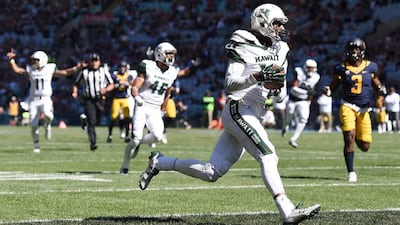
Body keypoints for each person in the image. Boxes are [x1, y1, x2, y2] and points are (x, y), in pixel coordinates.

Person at [138, 4, 320, 224]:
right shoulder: (242, 40)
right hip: (239, 107)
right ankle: (287, 209)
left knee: (211, 171)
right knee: (268, 154)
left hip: (256, 112)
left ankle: (160, 162)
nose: (281, 28)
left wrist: (276, 88)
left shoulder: (281, 49)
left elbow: (280, 94)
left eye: (282, 24)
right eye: (277, 23)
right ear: (262, 21)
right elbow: (230, 84)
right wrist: (257, 77)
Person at [329, 37, 386, 182]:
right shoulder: (341, 67)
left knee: (365, 145)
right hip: (347, 105)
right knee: (349, 137)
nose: (353, 52)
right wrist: (328, 90)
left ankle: (356, 144)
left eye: (356, 49)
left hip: (364, 109)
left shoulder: (371, 66)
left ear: (362, 51)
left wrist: (380, 89)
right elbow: (334, 85)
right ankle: (351, 172)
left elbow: (376, 82)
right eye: (351, 49)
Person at [6, 49, 83, 153]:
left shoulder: (49, 69)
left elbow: (64, 72)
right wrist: (11, 60)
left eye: (36, 60)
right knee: (33, 125)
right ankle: (37, 145)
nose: (34, 62)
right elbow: (17, 70)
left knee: (48, 115)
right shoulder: (31, 70)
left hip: (45, 98)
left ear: (42, 60)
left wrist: (76, 68)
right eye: (33, 60)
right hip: (33, 99)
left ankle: (47, 126)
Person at [120, 42, 179, 174]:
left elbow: (168, 93)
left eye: (172, 54)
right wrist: (137, 98)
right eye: (168, 54)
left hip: (155, 109)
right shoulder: (148, 66)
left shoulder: (173, 72)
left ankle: (138, 143)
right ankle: (125, 165)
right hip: (142, 105)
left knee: (158, 136)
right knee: (134, 139)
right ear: (160, 54)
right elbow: (135, 87)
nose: (171, 57)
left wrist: (163, 110)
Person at [72, 53, 114, 151]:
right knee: (92, 122)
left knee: (97, 121)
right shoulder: (84, 72)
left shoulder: (104, 71)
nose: (94, 63)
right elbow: (76, 83)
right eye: (93, 61)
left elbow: (111, 84)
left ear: (99, 62)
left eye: (96, 61)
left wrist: (106, 89)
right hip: (89, 99)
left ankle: (84, 120)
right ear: (90, 62)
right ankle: (93, 143)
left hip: (100, 99)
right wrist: (75, 91)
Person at [282, 59, 320, 148]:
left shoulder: (316, 77)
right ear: (305, 67)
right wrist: (307, 93)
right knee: (288, 118)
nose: (311, 70)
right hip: (292, 99)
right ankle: (285, 127)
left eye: (312, 68)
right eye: (309, 68)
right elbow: (294, 89)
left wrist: (309, 101)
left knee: (303, 119)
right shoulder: (299, 72)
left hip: (303, 101)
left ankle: (293, 139)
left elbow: (312, 89)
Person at [106, 60, 135, 143]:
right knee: (114, 117)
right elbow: (111, 84)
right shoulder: (114, 75)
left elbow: (131, 83)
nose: (122, 69)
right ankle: (110, 135)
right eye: (121, 67)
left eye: (123, 67)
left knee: (127, 118)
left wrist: (127, 84)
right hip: (116, 98)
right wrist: (116, 85)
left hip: (125, 98)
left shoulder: (129, 76)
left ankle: (126, 136)